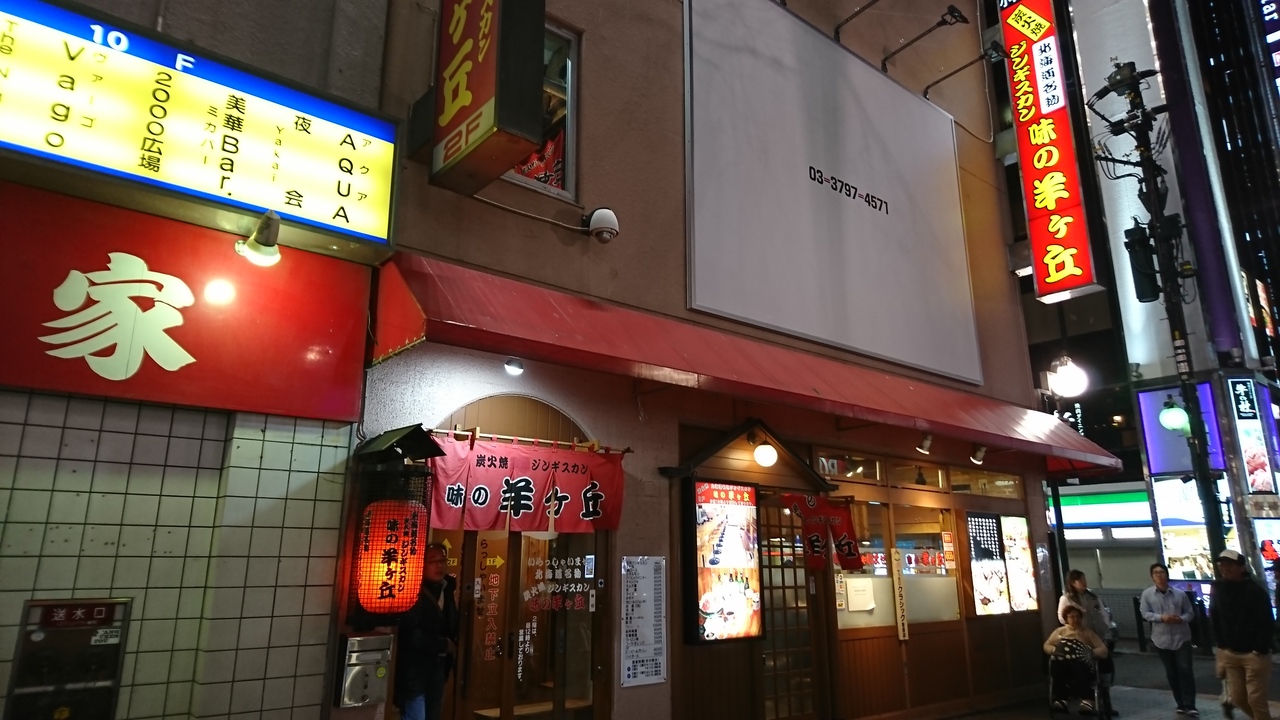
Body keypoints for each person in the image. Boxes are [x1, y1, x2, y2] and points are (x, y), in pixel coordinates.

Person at [395, 544, 459, 720]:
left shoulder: (446, 590)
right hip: (413, 671)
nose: (439, 566)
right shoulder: (411, 593)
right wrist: (442, 644)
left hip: (437, 669)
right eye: (433, 562)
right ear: (421, 565)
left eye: (442, 561)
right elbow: (409, 635)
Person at [1211, 549, 1274, 720]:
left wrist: (1259, 649)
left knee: (1256, 699)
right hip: (1230, 653)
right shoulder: (1218, 588)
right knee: (1238, 697)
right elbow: (1215, 615)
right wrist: (1222, 644)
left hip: (1254, 655)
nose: (1225, 568)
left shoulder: (1254, 591)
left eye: (1230, 564)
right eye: (1222, 564)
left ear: (1241, 568)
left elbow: (1266, 621)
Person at [1140, 562, 1198, 716]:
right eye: (1156, 573)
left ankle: (1190, 704)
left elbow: (1190, 613)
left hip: (1182, 637)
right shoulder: (1147, 594)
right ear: (1152, 577)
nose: (1159, 575)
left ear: (1167, 575)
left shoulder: (1180, 594)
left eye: (1162, 572)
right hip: (1161, 639)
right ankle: (1180, 703)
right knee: (1172, 672)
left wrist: (1181, 619)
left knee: (1185, 669)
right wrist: (1162, 618)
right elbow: (1145, 613)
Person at [1058, 570, 1118, 715]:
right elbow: (1061, 617)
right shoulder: (1067, 598)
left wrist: (1106, 626)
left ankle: (1106, 700)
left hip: (1098, 636)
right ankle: (1088, 702)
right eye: (1080, 580)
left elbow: (1103, 613)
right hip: (1081, 639)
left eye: (1084, 579)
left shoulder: (1092, 596)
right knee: (1085, 670)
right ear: (1073, 583)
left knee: (1106, 664)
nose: (1084, 582)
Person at [1044, 604, 1109, 712]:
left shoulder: (1087, 633)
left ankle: (1087, 700)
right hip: (1064, 665)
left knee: (1079, 665)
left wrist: (1089, 653)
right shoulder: (1060, 632)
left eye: (1078, 617)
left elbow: (1103, 650)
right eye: (1072, 617)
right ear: (1066, 619)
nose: (1075, 619)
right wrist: (1055, 650)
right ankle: (1061, 699)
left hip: (1082, 665)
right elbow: (1047, 645)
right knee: (1057, 665)